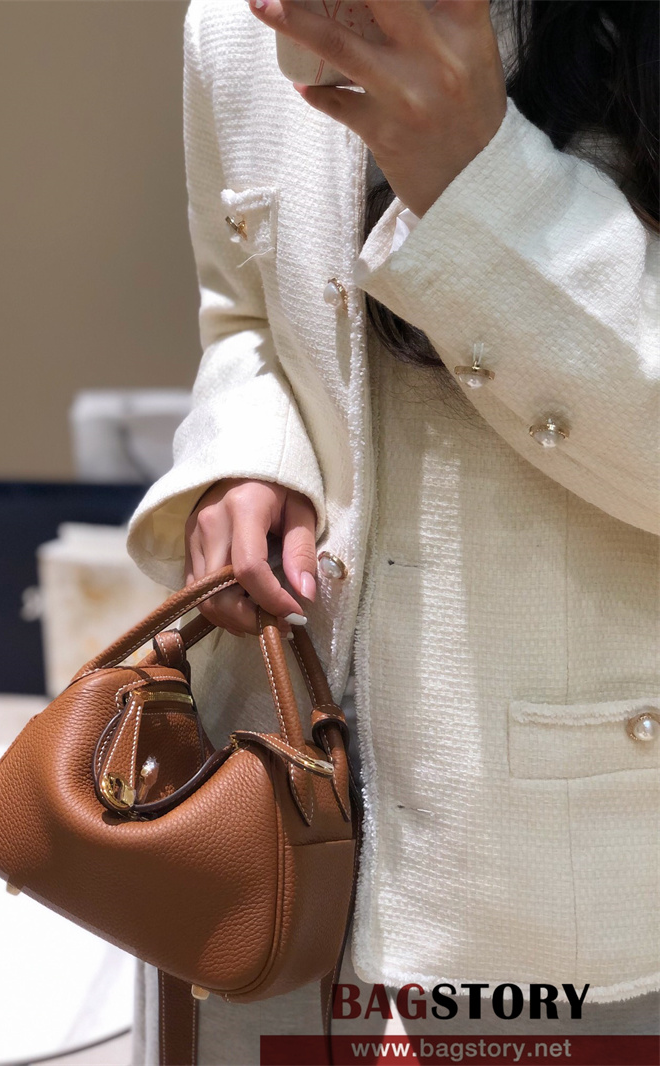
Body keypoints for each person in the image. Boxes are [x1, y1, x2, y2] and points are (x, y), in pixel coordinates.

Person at [126, 0, 660, 1061]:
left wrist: (476, 180)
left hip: (582, 879)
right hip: (276, 833)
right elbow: (243, 311)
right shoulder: (234, 25)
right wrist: (250, 453)